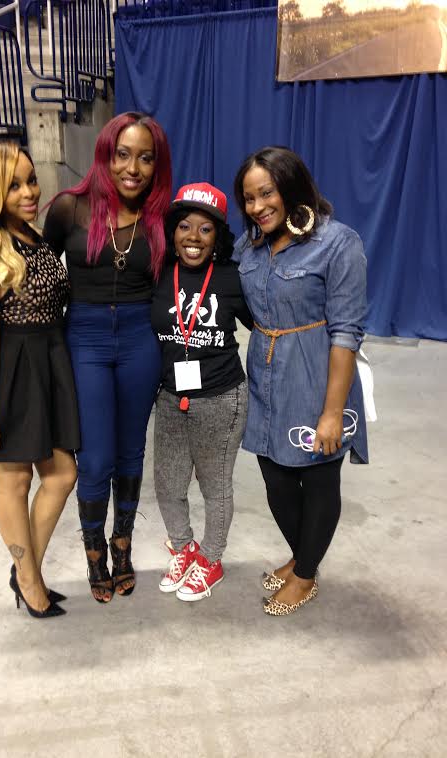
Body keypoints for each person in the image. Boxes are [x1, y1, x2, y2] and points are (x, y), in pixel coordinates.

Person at [233, 146, 368, 616]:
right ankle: (302, 555)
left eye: (266, 193)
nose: (257, 206)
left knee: (318, 477)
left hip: (317, 377)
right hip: (265, 374)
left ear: (291, 187)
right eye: (249, 198)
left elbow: (346, 332)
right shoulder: (249, 246)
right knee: (276, 479)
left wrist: (332, 413)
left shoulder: (338, 243)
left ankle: (306, 574)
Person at [43, 112, 172, 603]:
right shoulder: (69, 209)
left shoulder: (162, 218)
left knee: (130, 452)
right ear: (105, 155)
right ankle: (94, 552)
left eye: (145, 158)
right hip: (86, 338)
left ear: (157, 165)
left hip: (141, 338)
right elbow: (38, 269)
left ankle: (123, 548)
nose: (132, 168)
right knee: (95, 457)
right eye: (122, 154)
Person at [0, 139, 80, 619]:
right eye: (14, 186)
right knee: (16, 481)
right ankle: (28, 580)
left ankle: (26, 572)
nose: (29, 192)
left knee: (62, 475)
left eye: (31, 180)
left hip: (48, 363)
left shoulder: (33, 233)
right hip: (9, 373)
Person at [151, 183, 253, 601]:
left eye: (205, 229)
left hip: (221, 398)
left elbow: (265, 324)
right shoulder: (159, 273)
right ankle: (183, 547)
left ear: (218, 237)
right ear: (172, 231)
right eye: (185, 227)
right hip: (171, 397)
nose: (193, 237)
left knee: (215, 487)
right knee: (168, 485)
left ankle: (211, 559)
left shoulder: (231, 278)